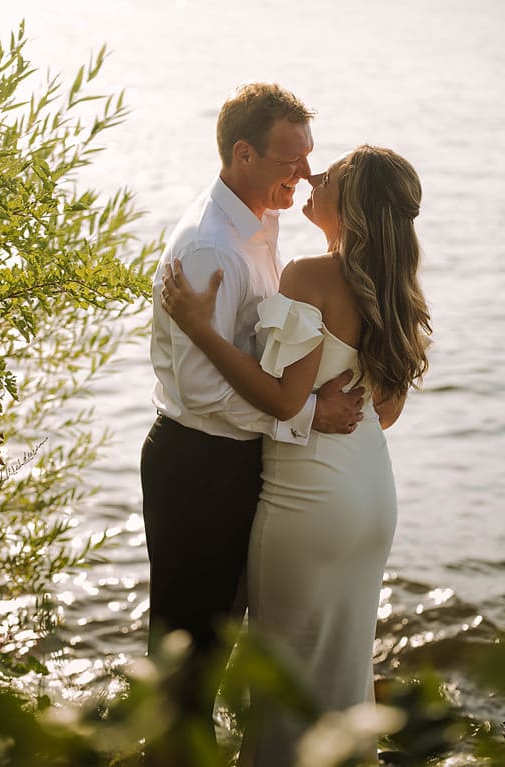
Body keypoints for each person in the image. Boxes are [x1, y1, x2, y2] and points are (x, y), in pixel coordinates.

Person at [162, 145, 431, 765]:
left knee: (285, 682)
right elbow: (384, 413)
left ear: (353, 205)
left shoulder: (311, 276)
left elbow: (282, 401)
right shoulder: (395, 289)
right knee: (345, 670)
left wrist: (201, 329)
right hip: (371, 498)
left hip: (309, 505)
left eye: (330, 176)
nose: (313, 175)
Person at [141, 82, 364, 763]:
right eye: (289, 161)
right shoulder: (212, 248)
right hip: (198, 465)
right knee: (189, 658)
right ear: (243, 154)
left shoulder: (259, 226)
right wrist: (307, 412)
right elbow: (206, 390)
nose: (303, 174)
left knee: (216, 645)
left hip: (232, 462)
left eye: (309, 160)